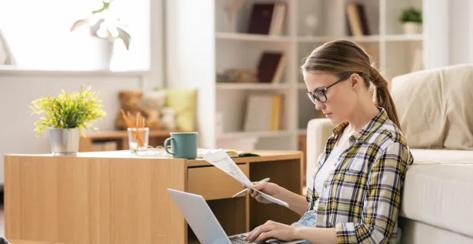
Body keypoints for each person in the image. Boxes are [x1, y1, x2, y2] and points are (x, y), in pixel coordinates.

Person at [246, 40, 413, 244]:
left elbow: (373, 234)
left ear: (354, 82)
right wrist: (279, 194)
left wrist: (295, 233)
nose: (317, 104)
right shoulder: (338, 136)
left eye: (321, 92)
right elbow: (323, 213)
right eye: (312, 95)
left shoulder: (387, 142)